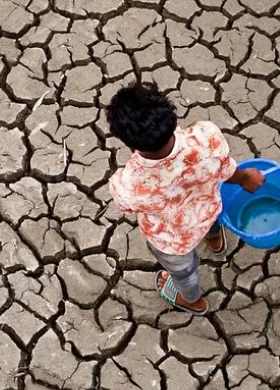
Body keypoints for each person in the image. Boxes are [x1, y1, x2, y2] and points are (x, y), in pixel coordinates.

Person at [107, 83, 264, 315]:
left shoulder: (127, 185)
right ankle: (215, 242)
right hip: (208, 209)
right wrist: (244, 179)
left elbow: (127, 207)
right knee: (211, 220)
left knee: (185, 272)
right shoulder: (207, 138)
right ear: (171, 114)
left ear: (130, 144)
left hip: (173, 240)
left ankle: (192, 301)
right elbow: (227, 171)